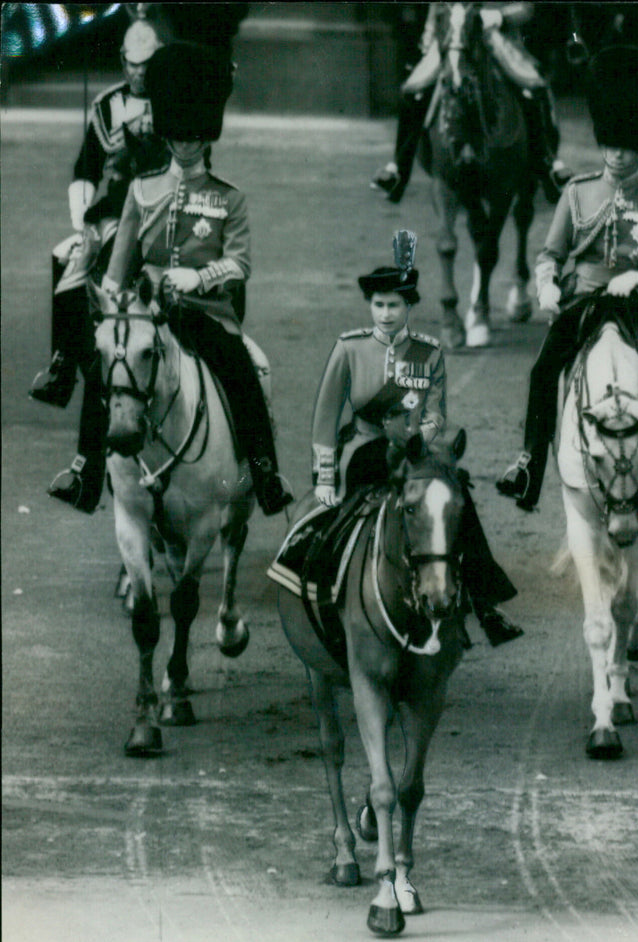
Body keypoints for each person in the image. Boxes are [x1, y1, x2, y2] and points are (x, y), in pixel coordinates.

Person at [496, 44, 638, 513]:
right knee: (543, 371)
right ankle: (526, 466)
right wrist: (545, 284)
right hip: (583, 300)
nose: (619, 155)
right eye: (612, 144)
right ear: (602, 141)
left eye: (628, 146)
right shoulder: (577, 193)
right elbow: (550, 253)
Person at [101, 41, 292, 517]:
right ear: (167, 136)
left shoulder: (229, 198)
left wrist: (199, 277)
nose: (184, 145)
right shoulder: (141, 192)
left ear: (206, 139)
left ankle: (264, 472)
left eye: (192, 138)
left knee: (243, 371)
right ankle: (87, 467)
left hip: (206, 317)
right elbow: (118, 267)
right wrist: (113, 301)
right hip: (148, 316)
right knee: (107, 367)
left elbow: (240, 263)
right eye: (177, 137)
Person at [310, 230, 522, 648]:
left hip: (418, 452)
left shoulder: (429, 352)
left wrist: (422, 437)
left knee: (455, 498)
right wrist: (324, 474)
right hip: (365, 449)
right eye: (379, 305)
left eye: (394, 305)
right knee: (333, 521)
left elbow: (436, 412)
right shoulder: (349, 350)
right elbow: (326, 416)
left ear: (408, 308)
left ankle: (484, 602)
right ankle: (321, 586)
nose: (386, 313)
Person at [30, 19, 170, 512]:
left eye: (147, 67)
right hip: (111, 216)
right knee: (65, 260)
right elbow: (85, 168)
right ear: (122, 64)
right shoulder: (104, 106)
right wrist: (84, 214)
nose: (140, 76)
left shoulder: (177, 97)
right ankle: (63, 363)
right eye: (133, 67)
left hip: (160, 217)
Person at [371, 2, 571, 205]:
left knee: (534, 88)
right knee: (412, 91)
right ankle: (398, 169)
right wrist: (430, 36)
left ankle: (549, 164)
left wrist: (499, 16)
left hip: (498, 40)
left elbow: (526, 7)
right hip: (452, 39)